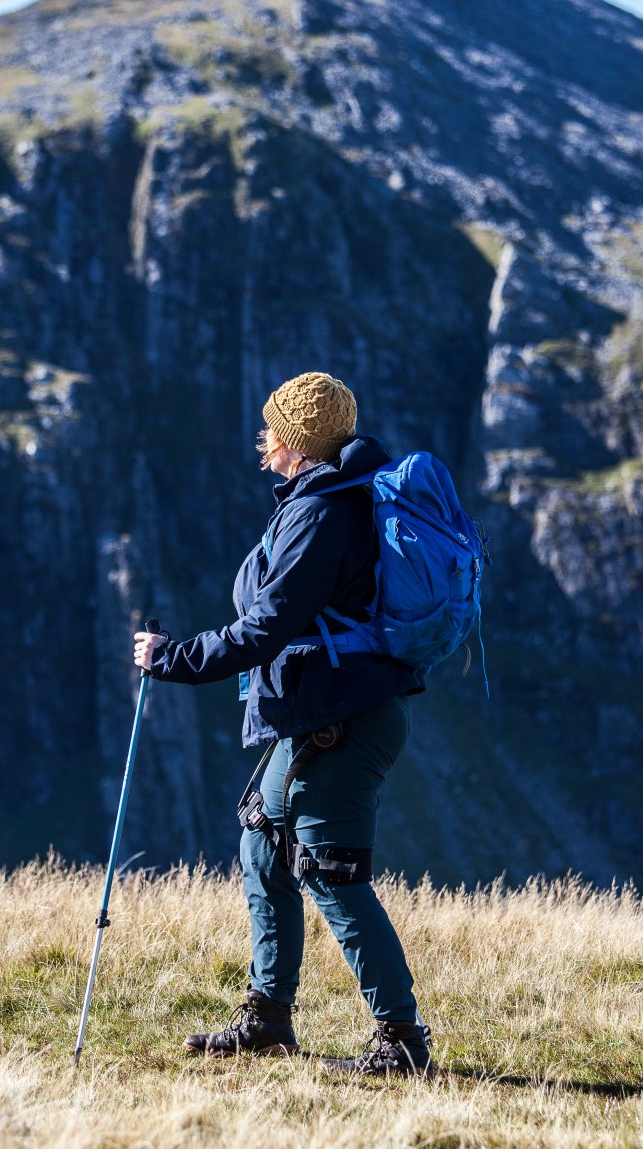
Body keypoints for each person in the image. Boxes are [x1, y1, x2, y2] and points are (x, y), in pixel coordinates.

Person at [133, 371, 433, 1077]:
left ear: (299, 442)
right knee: (263, 845)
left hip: (342, 722)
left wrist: (172, 658)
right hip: (322, 714)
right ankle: (267, 1020)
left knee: (331, 874)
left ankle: (401, 1042)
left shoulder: (322, 514)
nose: (262, 436)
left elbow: (265, 627)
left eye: (273, 427)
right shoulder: (322, 501)